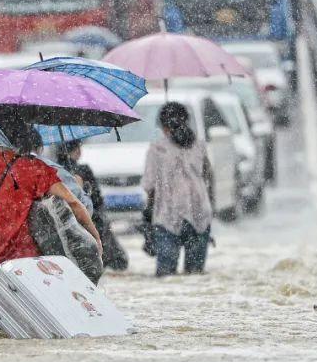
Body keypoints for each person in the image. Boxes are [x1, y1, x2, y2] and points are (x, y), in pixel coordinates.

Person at [0, 119, 102, 325]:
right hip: (29, 264)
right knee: (35, 324)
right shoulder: (35, 168)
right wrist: (95, 237)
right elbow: (73, 204)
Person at [143, 102, 213, 277]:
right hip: (200, 216)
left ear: (165, 126)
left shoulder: (157, 149)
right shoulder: (199, 145)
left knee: (166, 278)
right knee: (195, 276)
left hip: (167, 216)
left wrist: (148, 216)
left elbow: (149, 185)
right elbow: (208, 178)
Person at [57, 140, 128, 271]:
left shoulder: (53, 170)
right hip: (90, 221)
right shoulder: (82, 170)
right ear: (77, 150)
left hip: (64, 225)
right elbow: (97, 199)